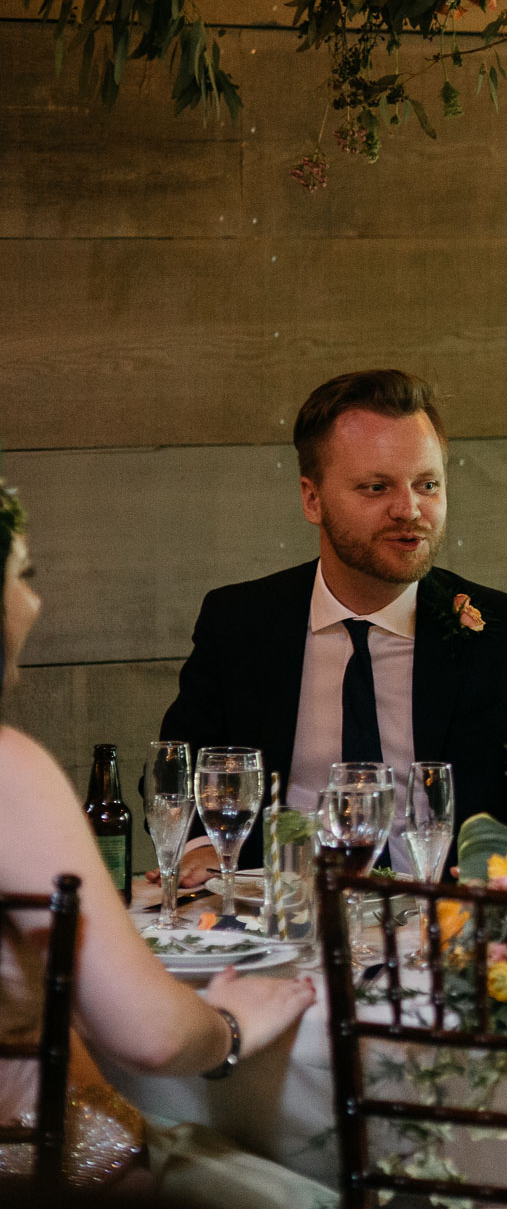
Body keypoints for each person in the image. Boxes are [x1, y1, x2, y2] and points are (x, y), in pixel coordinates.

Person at [159, 370, 507, 883]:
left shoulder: (506, 635)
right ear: (312, 499)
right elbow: (175, 775)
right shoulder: (241, 624)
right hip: (280, 910)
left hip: (450, 917)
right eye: (376, 487)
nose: (409, 510)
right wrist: (203, 846)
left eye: (427, 485)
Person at [0, 478, 320, 1196]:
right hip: (43, 1172)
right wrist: (232, 1024)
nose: (34, 602)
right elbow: (152, 1035)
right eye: (22, 575)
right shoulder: (9, 771)